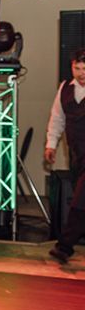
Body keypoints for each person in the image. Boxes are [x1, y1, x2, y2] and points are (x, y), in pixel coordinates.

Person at [46, 48, 85, 263]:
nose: (80, 73)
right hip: (77, 154)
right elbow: (57, 119)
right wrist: (51, 145)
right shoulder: (65, 89)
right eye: (76, 68)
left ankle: (65, 246)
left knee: (80, 198)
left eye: (84, 69)